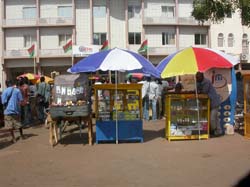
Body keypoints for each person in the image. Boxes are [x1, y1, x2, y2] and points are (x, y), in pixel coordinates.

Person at [196, 72, 223, 136]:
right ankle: (219, 131)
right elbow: (197, 90)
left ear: (202, 77)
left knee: (212, 118)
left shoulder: (207, 82)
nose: (196, 79)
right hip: (208, 103)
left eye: (198, 77)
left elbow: (204, 91)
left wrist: (198, 91)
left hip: (214, 102)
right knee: (215, 118)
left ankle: (213, 131)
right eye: (196, 77)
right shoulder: (198, 82)